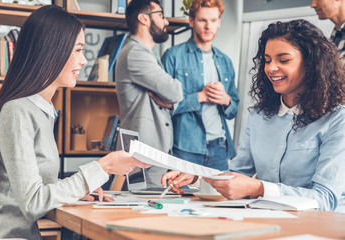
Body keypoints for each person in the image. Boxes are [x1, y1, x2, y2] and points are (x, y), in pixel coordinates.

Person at [0, 5, 151, 239]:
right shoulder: (18, 111)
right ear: (52, 51)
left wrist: (77, 190)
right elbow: (33, 202)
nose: (84, 61)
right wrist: (103, 167)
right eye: (78, 50)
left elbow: (36, 187)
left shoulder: (42, 110)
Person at [161, 19, 345, 212]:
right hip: (271, 220)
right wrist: (198, 178)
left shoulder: (337, 119)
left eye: (283, 60)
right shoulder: (259, 116)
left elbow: (325, 199)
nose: (271, 68)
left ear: (311, 64)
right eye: (267, 60)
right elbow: (236, 175)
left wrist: (258, 188)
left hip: (322, 226)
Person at [161, 0, 239, 171]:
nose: (208, 26)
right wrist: (200, 96)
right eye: (202, 20)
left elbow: (234, 109)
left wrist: (226, 100)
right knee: (184, 197)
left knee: (219, 198)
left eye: (213, 20)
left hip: (220, 147)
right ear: (191, 21)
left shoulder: (225, 62)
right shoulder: (173, 56)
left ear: (219, 22)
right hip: (185, 146)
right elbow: (162, 106)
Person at [115, 0, 183, 187]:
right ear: (144, 18)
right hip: (143, 153)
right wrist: (171, 99)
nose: (166, 22)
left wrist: (169, 103)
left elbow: (171, 99)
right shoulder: (136, 53)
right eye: (160, 15)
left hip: (147, 151)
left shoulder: (144, 52)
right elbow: (175, 91)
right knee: (143, 210)